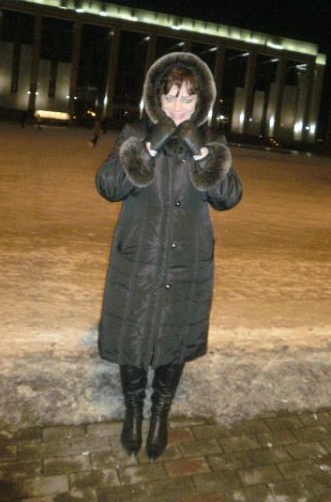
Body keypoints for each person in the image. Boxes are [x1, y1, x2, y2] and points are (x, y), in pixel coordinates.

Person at [95, 52, 242, 460]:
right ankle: (133, 411)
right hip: (138, 261)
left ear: (201, 102)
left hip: (186, 263)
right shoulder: (134, 133)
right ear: (156, 98)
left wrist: (202, 156)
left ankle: (160, 413)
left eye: (187, 98)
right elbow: (108, 186)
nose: (178, 107)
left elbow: (230, 197)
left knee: (174, 339)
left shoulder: (212, 141)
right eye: (171, 97)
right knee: (133, 334)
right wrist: (146, 148)